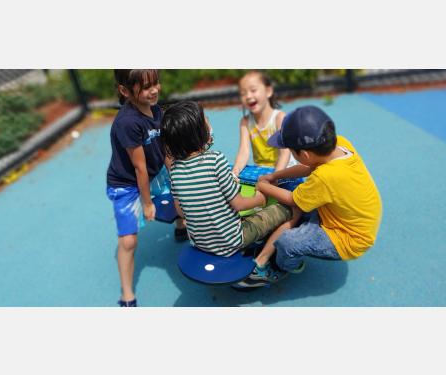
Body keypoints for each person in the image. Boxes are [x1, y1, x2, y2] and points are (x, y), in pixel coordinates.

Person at [248, 105, 383, 284]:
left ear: (304, 154)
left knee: (287, 242)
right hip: (349, 217)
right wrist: (275, 175)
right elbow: (307, 168)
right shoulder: (341, 143)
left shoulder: (326, 176)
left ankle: (282, 267)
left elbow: (292, 199)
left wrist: (263, 186)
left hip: (348, 238)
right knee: (298, 203)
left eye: (292, 152)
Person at [161, 101, 301, 262]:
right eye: (206, 122)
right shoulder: (215, 160)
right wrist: (261, 197)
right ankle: (263, 261)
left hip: (199, 242)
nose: (210, 126)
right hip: (232, 240)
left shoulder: (175, 170)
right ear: (198, 133)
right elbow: (240, 205)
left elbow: (180, 211)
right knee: (291, 208)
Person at [106, 69, 186, 307]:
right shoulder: (127, 123)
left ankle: (180, 224)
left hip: (154, 173)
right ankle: (127, 293)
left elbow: (165, 150)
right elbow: (139, 168)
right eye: (145, 87)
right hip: (127, 184)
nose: (154, 90)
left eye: (155, 83)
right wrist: (147, 203)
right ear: (125, 91)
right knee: (129, 241)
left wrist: (178, 181)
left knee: (182, 198)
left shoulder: (157, 110)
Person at [231, 71, 293, 177]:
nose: (248, 96)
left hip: (285, 170)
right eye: (243, 93)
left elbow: (285, 153)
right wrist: (235, 171)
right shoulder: (245, 122)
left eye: (253, 90)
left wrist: (275, 177)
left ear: (268, 91)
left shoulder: (279, 118)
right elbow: (244, 151)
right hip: (261, 171)